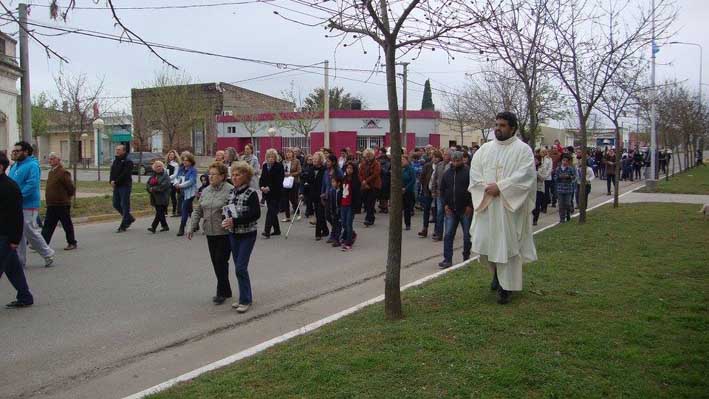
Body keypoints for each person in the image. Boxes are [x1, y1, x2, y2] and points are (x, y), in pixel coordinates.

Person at [468, 112, 537, 305]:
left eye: (503, 125)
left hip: (509, 209)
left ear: (513, 128)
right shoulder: (485, 149)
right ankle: (496, 276)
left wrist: (502, 187)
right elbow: (475, 173)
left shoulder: (523, 150)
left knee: (507, 247)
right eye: (496, 124)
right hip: (487, 205)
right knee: (487, 244)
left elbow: (526, 176)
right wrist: (486, 187)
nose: (498, 128)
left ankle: (507, 287)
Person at [188, 162, 235, 305]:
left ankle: (221, 292)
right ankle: (226, 289)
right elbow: (198, 210)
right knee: (216, 262)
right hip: (209, 231)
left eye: (213, 174)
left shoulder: (230, 190)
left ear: (222, 176)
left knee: (221, 260)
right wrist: (192, 226)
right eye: (209, 174)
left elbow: (233, 212)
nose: (210, 177)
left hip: (224, 232)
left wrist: (230, 222)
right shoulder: (206, 190)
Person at [9, 141, 55, 267]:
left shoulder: (32, 165)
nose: (15, 153)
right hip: (16, 205)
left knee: (30, 232)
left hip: (28, 205)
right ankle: (20, 261)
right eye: (14, 151)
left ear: (26, 152)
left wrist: (18, 196)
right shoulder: (15, 166)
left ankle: (48, 253)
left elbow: (32, 184)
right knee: (19, 234)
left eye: (17, 151)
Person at [223, 161, 261, 313]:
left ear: (246, 176)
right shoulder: (232, 192)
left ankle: (245, 300)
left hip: (247, 234)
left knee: (240, 267)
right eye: (232, 175)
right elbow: (228, 210)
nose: (234, 177)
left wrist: (235, 220)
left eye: (238, 175)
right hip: (233, 234)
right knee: (238, 267)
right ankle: (244, 297)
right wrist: (226, 218)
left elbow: (255, 214)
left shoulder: (251, 193)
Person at [0, 152, 34, 308]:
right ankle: (25, 296)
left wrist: (14, 239)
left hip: (5, 236)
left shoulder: (10, 187)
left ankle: (25, 296)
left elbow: (16, 216)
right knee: (13, 268)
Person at [438, 151, 473, 269]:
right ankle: (447, 259)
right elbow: (442, 190)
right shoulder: (447, 174)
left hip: (465, 209)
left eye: (458, 160)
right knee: (448, 235)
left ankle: (466, 257)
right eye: (454, 160)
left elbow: (473, 190)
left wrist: (470, 205)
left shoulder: (468, 172)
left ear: (462, 160)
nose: (456, 162)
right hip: (451, 209)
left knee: (467, 235)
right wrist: (445, 205)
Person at [41, 153, 77, 250]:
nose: (50, 161)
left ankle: (72, 242)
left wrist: (66, 197)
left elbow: (70, 188)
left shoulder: (63, 172)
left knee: (66, 224)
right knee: (48, 225)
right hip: (52, 204)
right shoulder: (51, 172)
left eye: (53, 159)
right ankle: (42, 244)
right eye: (50, 159)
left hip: (62, 204)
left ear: (58, 160)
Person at [259, 148, 284, 238]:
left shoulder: (279, 166)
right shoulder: (265, 166)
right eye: (269, 157)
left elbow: (279, 181)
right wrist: (261, 187)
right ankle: (277, 230)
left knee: (270, 212)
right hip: (266, 193)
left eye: (272, 157)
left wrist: (269, 188)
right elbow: (262, 178)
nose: (270, 159)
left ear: (275, 157)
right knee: (272, 211)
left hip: (276, 192)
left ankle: (267, 231)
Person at [110, 144, 135, 233]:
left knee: (125, 205)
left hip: (124, 186)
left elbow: (125, 174)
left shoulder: (128, 161)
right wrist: (111, 180)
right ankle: (129, 218)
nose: (117, 151)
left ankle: (123, 225)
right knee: (116, 203)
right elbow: (112, 171)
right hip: (116, 186)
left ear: (124, 151)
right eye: (116, 149)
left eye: (119, 150)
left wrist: (116, 181)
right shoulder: (116, 160)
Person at [174, 152, 198, 237]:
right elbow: (176, 177)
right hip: (182, 192)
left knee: (184, 208)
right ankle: (196, 224)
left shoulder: (193, 170)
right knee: (189, 209)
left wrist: (180, 185)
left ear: (191, 161)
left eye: (187, 161)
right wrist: (176, 183)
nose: (185, 162)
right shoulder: (181, 169)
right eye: (184, 160)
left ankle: (182, 228)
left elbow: (191, 181)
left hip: (190, 193)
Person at [146, 161, 172, 233]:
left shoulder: (165, 176)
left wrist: (153, 189)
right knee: (160, 212)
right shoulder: (153, 175)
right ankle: (165, 226)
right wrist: (149, 189)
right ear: (154, 168)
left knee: (159, 212)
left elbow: (163, 186)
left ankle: (153, 227)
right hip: (154, 197)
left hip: (163, 197)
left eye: (160, 166)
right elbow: (148, 184)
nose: (159, 168)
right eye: (157, 166)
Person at [430, 150, 450, 241]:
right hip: (439, 193)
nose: (445, 156)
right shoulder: (439, 165)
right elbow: (435, 179)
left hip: (448, 194)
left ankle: (448, 233)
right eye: (444, 154)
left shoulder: (452, 165)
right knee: (439, 213)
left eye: (447, 155)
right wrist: (433, 190)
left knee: (448, 215)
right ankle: (439, 233)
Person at [358, 148, 381, 227]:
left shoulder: (376, 163)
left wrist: (366, 181)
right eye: (366, 156)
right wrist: (363, 182)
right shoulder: (363, 163)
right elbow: (360, 173)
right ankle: (371, 217)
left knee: (370, 202)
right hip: (365, 185)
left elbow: (375, 174)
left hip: (374, 185)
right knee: (366, 202)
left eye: (369, 156)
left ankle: (368, 219)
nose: (367, 158)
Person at [417, 151, 435, 238]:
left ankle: (437, 230)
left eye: (436, 157)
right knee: (426, 210)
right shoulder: (427, 166)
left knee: (437, 211)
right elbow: (422, 177)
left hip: (437, 192)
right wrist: (424, 188)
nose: (435, 159)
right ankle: (425, 228)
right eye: (433, 157)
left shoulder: (441, 166)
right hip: (427, 191)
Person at [340, 162, 357, 251]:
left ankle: (348, 242)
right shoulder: (344, 178)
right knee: (343, 222)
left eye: (350, 168)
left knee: (348, 223)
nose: (348, 169)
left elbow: (357, 193)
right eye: (347, 168)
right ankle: (351, 234)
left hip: (350, 204)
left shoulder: (355, 180)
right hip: (343, 203)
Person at [281, 148, 302, 223]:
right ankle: (287, 217)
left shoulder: (296, 161)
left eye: (290, 152)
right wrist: (283, 174)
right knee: (285, 199)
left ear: (293, 154)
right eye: (287, 152)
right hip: (285, 182)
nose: (288, 154)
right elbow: (281, 171)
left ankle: (298, 212)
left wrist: (291, 174)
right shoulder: (284, 161)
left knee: (293, 199)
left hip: (294, 181)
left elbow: (299, 171)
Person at [555, 153, 576, 223]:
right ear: (561, 161)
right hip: (560, 189)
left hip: (568, 189)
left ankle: (568, 214)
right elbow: (555, 177)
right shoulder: (558, 169)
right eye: (563, 161)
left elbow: (574, 177)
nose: (565, 162)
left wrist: (569, 177)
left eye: (566, 161)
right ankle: (562, 219)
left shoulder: (570, 169)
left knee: (567, 204)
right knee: (561, 205)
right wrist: (559, 177)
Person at [327, 175, 343, 247]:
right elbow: (331, 202)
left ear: (338, 183)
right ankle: (333, 236)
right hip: (334, 211)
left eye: (333, 182)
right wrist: (331, 211)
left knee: (338, 225)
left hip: (340, 211)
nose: (332, 184)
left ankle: (337, 240)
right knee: (334, 224)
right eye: (332, 182)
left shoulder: (341, 191)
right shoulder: (332, 191)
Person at [402, 154, 416, 231]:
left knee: (407, 209)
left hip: (408, 191)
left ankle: (407, 224)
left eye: (403, 160)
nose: (401, 161)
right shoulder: (401, 169)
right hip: (400, 191)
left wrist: (405, 188)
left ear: (407, 160)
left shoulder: (411, 169)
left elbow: (413, 180)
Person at [165, 150, 181, 217]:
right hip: (166, 182)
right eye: (170, 154)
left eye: (172, 155)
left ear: (174, 156)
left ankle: (174, 211)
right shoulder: (166, 164)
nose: (171, 156)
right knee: (166, 197)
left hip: (173, 183)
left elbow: (175, 174)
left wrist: (168, 178)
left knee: (173, 197)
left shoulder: (176, 164)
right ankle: (165, 212)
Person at [532, 155, 545, 226]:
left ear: (539, 161)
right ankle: (532, 215)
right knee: (531, 205)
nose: (534, 161)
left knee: (537, 205)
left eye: (536, 160)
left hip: (539, 189)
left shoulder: (542, 168)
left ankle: (535, 220)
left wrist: (537, 173)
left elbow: (543, 178)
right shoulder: (530, 167)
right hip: (531, 188)